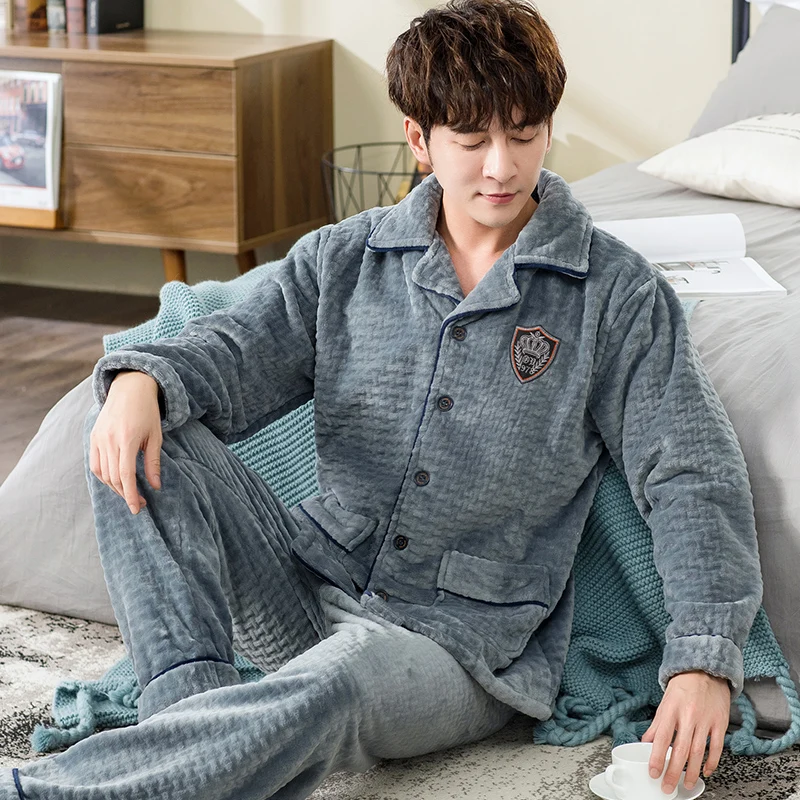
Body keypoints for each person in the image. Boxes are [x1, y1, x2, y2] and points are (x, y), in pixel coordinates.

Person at [3, 1, 762, 798]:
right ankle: (188, 728)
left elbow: (690, 472)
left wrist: (704, 659)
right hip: (305, 586)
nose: (501, 167)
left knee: (342, 680)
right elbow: (234, 353)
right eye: (470, 140)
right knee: (133, 420)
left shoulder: (616, 294)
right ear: (418, 139)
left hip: (459, 647)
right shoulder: (344, 258)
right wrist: (141, 379)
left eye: (524, 134)